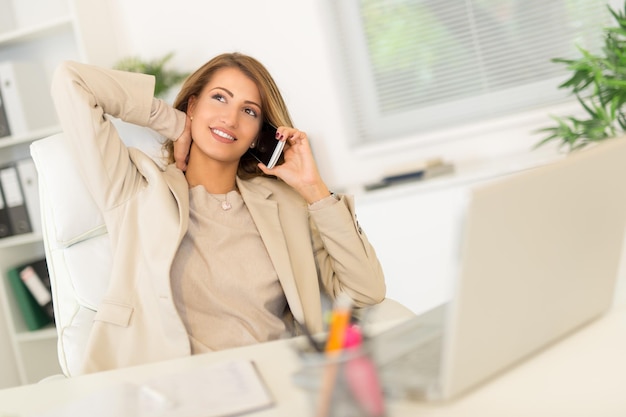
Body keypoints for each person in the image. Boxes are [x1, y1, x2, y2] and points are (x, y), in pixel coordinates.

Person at [50, 52, 385, 374]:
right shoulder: (135, 187)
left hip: (274, 382)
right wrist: (173, 122)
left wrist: (314, 189)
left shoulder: (284, 205)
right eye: (220, 98)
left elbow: (364, 292)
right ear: (193, 105)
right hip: (169, 389)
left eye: (250, 112)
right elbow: (72, 80)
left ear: (260, 134)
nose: (231, 118)